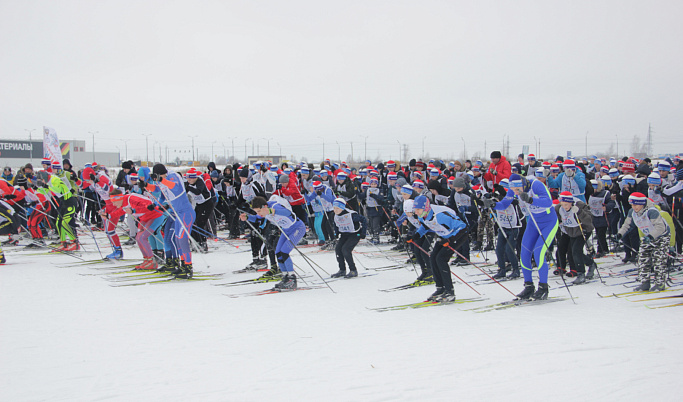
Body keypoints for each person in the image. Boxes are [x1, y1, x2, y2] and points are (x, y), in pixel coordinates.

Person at [240, 196, 306, 291]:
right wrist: (247, 217)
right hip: (286, 230)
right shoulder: (263, 211)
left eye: (259, 211)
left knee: (284, 251)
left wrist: (271, 211)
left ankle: (292, 278)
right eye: (256, 212)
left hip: (297, 228)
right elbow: (257, 219)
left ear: (264, 206)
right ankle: (285, 277)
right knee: (278, 252)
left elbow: (287, 213)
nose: (258, 213)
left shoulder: (275, 206)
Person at [510, 173, 558, 300]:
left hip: (548, 222)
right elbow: (505, 203)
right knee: (524, 254)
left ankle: (543, 287)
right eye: (514, 190)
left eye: (518, 190)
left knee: (538, 254)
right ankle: (529, 286)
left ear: (523, 183)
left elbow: (548, 202)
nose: (516, 192)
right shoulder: (516, 190)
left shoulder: (536, 184)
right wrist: (492, 204)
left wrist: (531, 200)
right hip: (533, 222)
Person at [412, 195, 467, 302]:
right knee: (433, 258)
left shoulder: (440, 215)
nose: (416, 212)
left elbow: (463, 227)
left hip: (458, 234)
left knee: (441, 259)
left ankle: (450, 291)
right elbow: (426, 226)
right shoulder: (422, 215)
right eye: (415, 210)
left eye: (418, 209)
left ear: (426, 207)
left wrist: (451, 239)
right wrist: (416, 236)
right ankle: (440, 288)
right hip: (444, 235)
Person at [145, 164, 196, 278]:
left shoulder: (173, 176)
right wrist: (146, 185)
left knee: (182, 240)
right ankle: (183, 265)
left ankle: (188, 267)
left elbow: (175, 187)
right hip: (178, 214)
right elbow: (159, 190)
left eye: (161, 176)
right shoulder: (164, 180)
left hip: (186, 213)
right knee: (177, 240)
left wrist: (161, 179)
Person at [617, 192, 671, 292]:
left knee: (658, 259)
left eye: (635, 204)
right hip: (647, 237)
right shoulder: (632, 212)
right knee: (642, 258)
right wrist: (620, 234)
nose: (634, 207)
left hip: (661, 236)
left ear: (642, 203)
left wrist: (651, 236)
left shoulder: (651, 211)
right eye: (632, 205)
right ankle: (645, 282)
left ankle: (660, 283)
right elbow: (627, 225)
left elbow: (660, 227)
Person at [110, 189, 163, 270]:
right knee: (138, 238)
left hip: (155, 216)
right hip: (145, 218)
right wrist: (109, 216)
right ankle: (147, 259)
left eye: (114, 201)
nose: (113, 204)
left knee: (142, 237)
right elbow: (121, 211)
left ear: (118, 199)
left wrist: (133, 210)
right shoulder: (124, 202)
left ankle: (152, 261)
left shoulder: (131, 198)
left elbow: (148, 205)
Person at [554, 191, 598, 284]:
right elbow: (556, 219)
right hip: (571, 232)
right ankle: (591, 263)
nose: (565, 207)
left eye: (567, 204)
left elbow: (589, 219)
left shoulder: (579, 205)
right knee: (575, 252)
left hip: (583, 231)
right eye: (563, 204)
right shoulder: (558, 208)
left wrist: (579, 212)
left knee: (576, 251)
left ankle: (581, 273)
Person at [484, 182, 522, 279]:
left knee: (509, 250)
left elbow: (507, 203)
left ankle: (515, 269)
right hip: (503, 227)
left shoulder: (511, 201)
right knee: (499, 249)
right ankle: (502, 269)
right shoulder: (497, 202)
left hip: (513, 227)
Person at [330, 198, 367, 278]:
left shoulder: (351, 215)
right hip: (344, 234)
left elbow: (364, 220)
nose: (335, 210)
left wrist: (363, 233)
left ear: (342, 208)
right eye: (334, 208)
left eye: (337, 208)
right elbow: (335, 224)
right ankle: (342, 270)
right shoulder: (335, 215)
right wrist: (336, 233)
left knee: (346, 249)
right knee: (338, 249)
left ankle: (353, 270)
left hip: (354, 234)